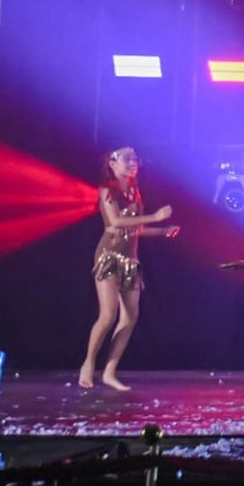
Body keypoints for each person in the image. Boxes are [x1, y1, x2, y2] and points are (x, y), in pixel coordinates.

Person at [79, 147, 179, 391]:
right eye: (127, 159)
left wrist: (161, 231)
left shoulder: (135, 192)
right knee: (107, 315)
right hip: (109, 256)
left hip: (130, 260)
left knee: (131, 316)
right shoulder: (107, 191)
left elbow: (135, 229)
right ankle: (88, 364)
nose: (133, 162)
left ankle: (110, 371)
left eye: (134, 159)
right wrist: (155, 217)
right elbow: (116, 221)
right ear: (113, 164)